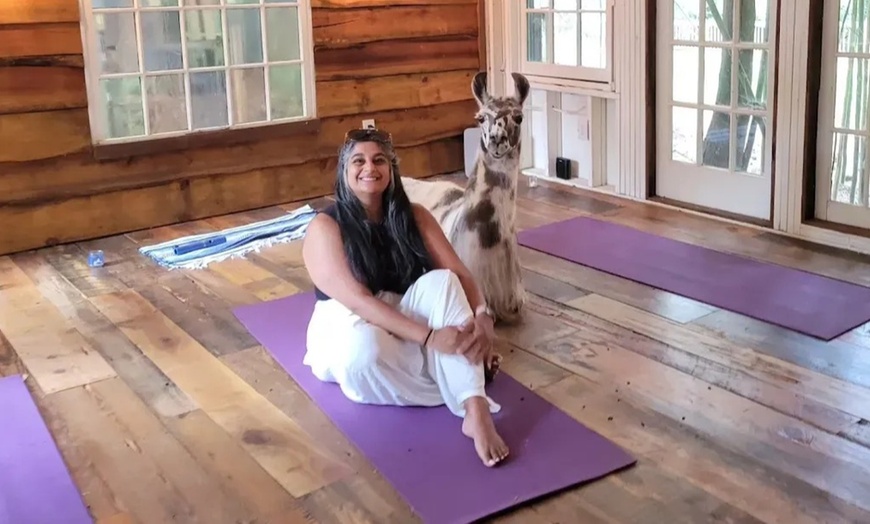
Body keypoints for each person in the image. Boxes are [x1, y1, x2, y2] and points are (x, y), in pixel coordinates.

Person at [301, 127, 509, 467]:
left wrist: (484, 318)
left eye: (379, 160)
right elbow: (359, 302)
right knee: (364, 352)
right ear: (344, 171)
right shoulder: (325, 227)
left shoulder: (415, 216)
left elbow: (459, 274)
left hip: (402, 312)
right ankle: (459, 372)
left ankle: (475, 408)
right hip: (349, 323)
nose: (370, 168)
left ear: (391, 168)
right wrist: (431, 338)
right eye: (358, 161)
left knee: (443, 282)